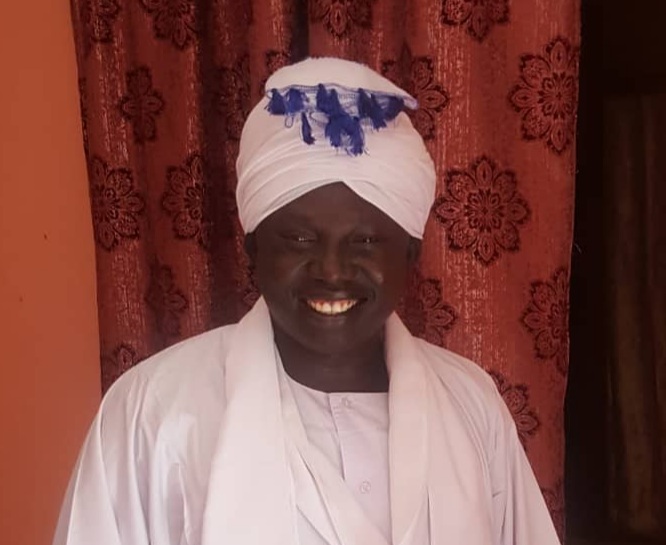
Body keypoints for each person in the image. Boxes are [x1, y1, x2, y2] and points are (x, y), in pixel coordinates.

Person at [53, 57, 561, 545]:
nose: (332, 271)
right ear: (253, 247)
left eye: (365, 241)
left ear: (410, 254)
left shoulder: (470, 404)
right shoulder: (154, 412)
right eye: (299, 239)